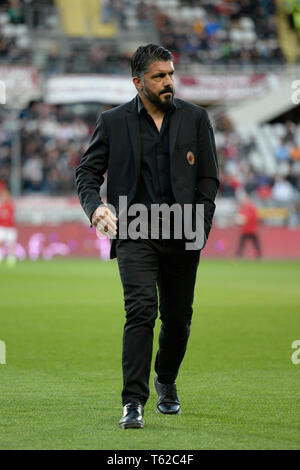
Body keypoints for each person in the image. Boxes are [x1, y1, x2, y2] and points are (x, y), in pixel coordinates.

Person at [75, 44, 219, 429]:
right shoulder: (113, 121)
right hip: (134, 229)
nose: (168, 81)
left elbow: (208, 178)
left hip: (183, 230)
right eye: (159, 76)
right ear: (138, 82)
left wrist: (200, 224)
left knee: (178, 319)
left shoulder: (196, 118)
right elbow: (86, 175)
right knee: (140, 311)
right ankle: (133, 402)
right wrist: (97, 208)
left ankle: (166, 380)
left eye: (170, 74)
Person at [235, 192, 262, 259]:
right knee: (242, 244)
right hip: (245, 230)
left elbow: (247, 218)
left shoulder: (251, 208)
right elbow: (240, 218)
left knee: (256, 244)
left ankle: (258, 256)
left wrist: (241, 220)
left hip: (252, 230)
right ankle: (238, 255)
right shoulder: (242, 208)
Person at [0, 181, 17, 267]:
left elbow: (11, 216)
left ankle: (11, 259)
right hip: (2, 227)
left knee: (11, 244)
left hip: (10, 228)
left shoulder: (10, 205)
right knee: (0, 243)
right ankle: (1, 256)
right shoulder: (1, 206)